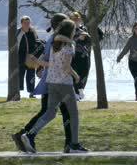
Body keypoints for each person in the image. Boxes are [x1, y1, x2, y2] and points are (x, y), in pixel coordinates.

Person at [21, 19, 88, 154]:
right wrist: (76, 76)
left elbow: (50, 64)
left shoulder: (54, 44)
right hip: (64, 84)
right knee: (74, 114)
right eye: (74, 30)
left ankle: (30, 135)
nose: (75, 31)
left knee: (50, 113)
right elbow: (66, 67)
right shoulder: (69, 47)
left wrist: (38, 61)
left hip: (51, 82)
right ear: (70, 31)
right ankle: (74, 145)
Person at [12, 13, 73, 153]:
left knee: (49, 111)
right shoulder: (56, 40)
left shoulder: (54, 39)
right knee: (60, 112)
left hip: (50, 80)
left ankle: (23, 134)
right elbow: (55, 61)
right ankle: (29, 135)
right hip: (54, 81)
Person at [116, 22, 137, 101]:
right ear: (133, 29)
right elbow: (125, 49)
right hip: (133, 63)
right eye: (136, 28)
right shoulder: (131, 39)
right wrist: (119, 57)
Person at [70, 12, 92, 99]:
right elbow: (69, 41)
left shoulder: (84, 29)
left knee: (84, 72)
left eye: (77, 19)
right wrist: (78, 39)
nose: (76, 21)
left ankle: (81, 88)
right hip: (74, 54)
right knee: (75, 73)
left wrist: (86, 37)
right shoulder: (69, 29)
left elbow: (89, 41)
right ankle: (75, 91)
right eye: (74, 19)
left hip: (84, 54)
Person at [17, 16, 38, 96]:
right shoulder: (18, 32)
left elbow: (37, 42)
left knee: (31, 76)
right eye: (25, 23)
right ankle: (17, 92)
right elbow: (16, 45)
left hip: (31, 57)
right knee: (20, 75)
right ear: (21, 23)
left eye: (28, 23)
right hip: (20, 58)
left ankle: (31, 92)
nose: (27, 24)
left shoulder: (33, 32)